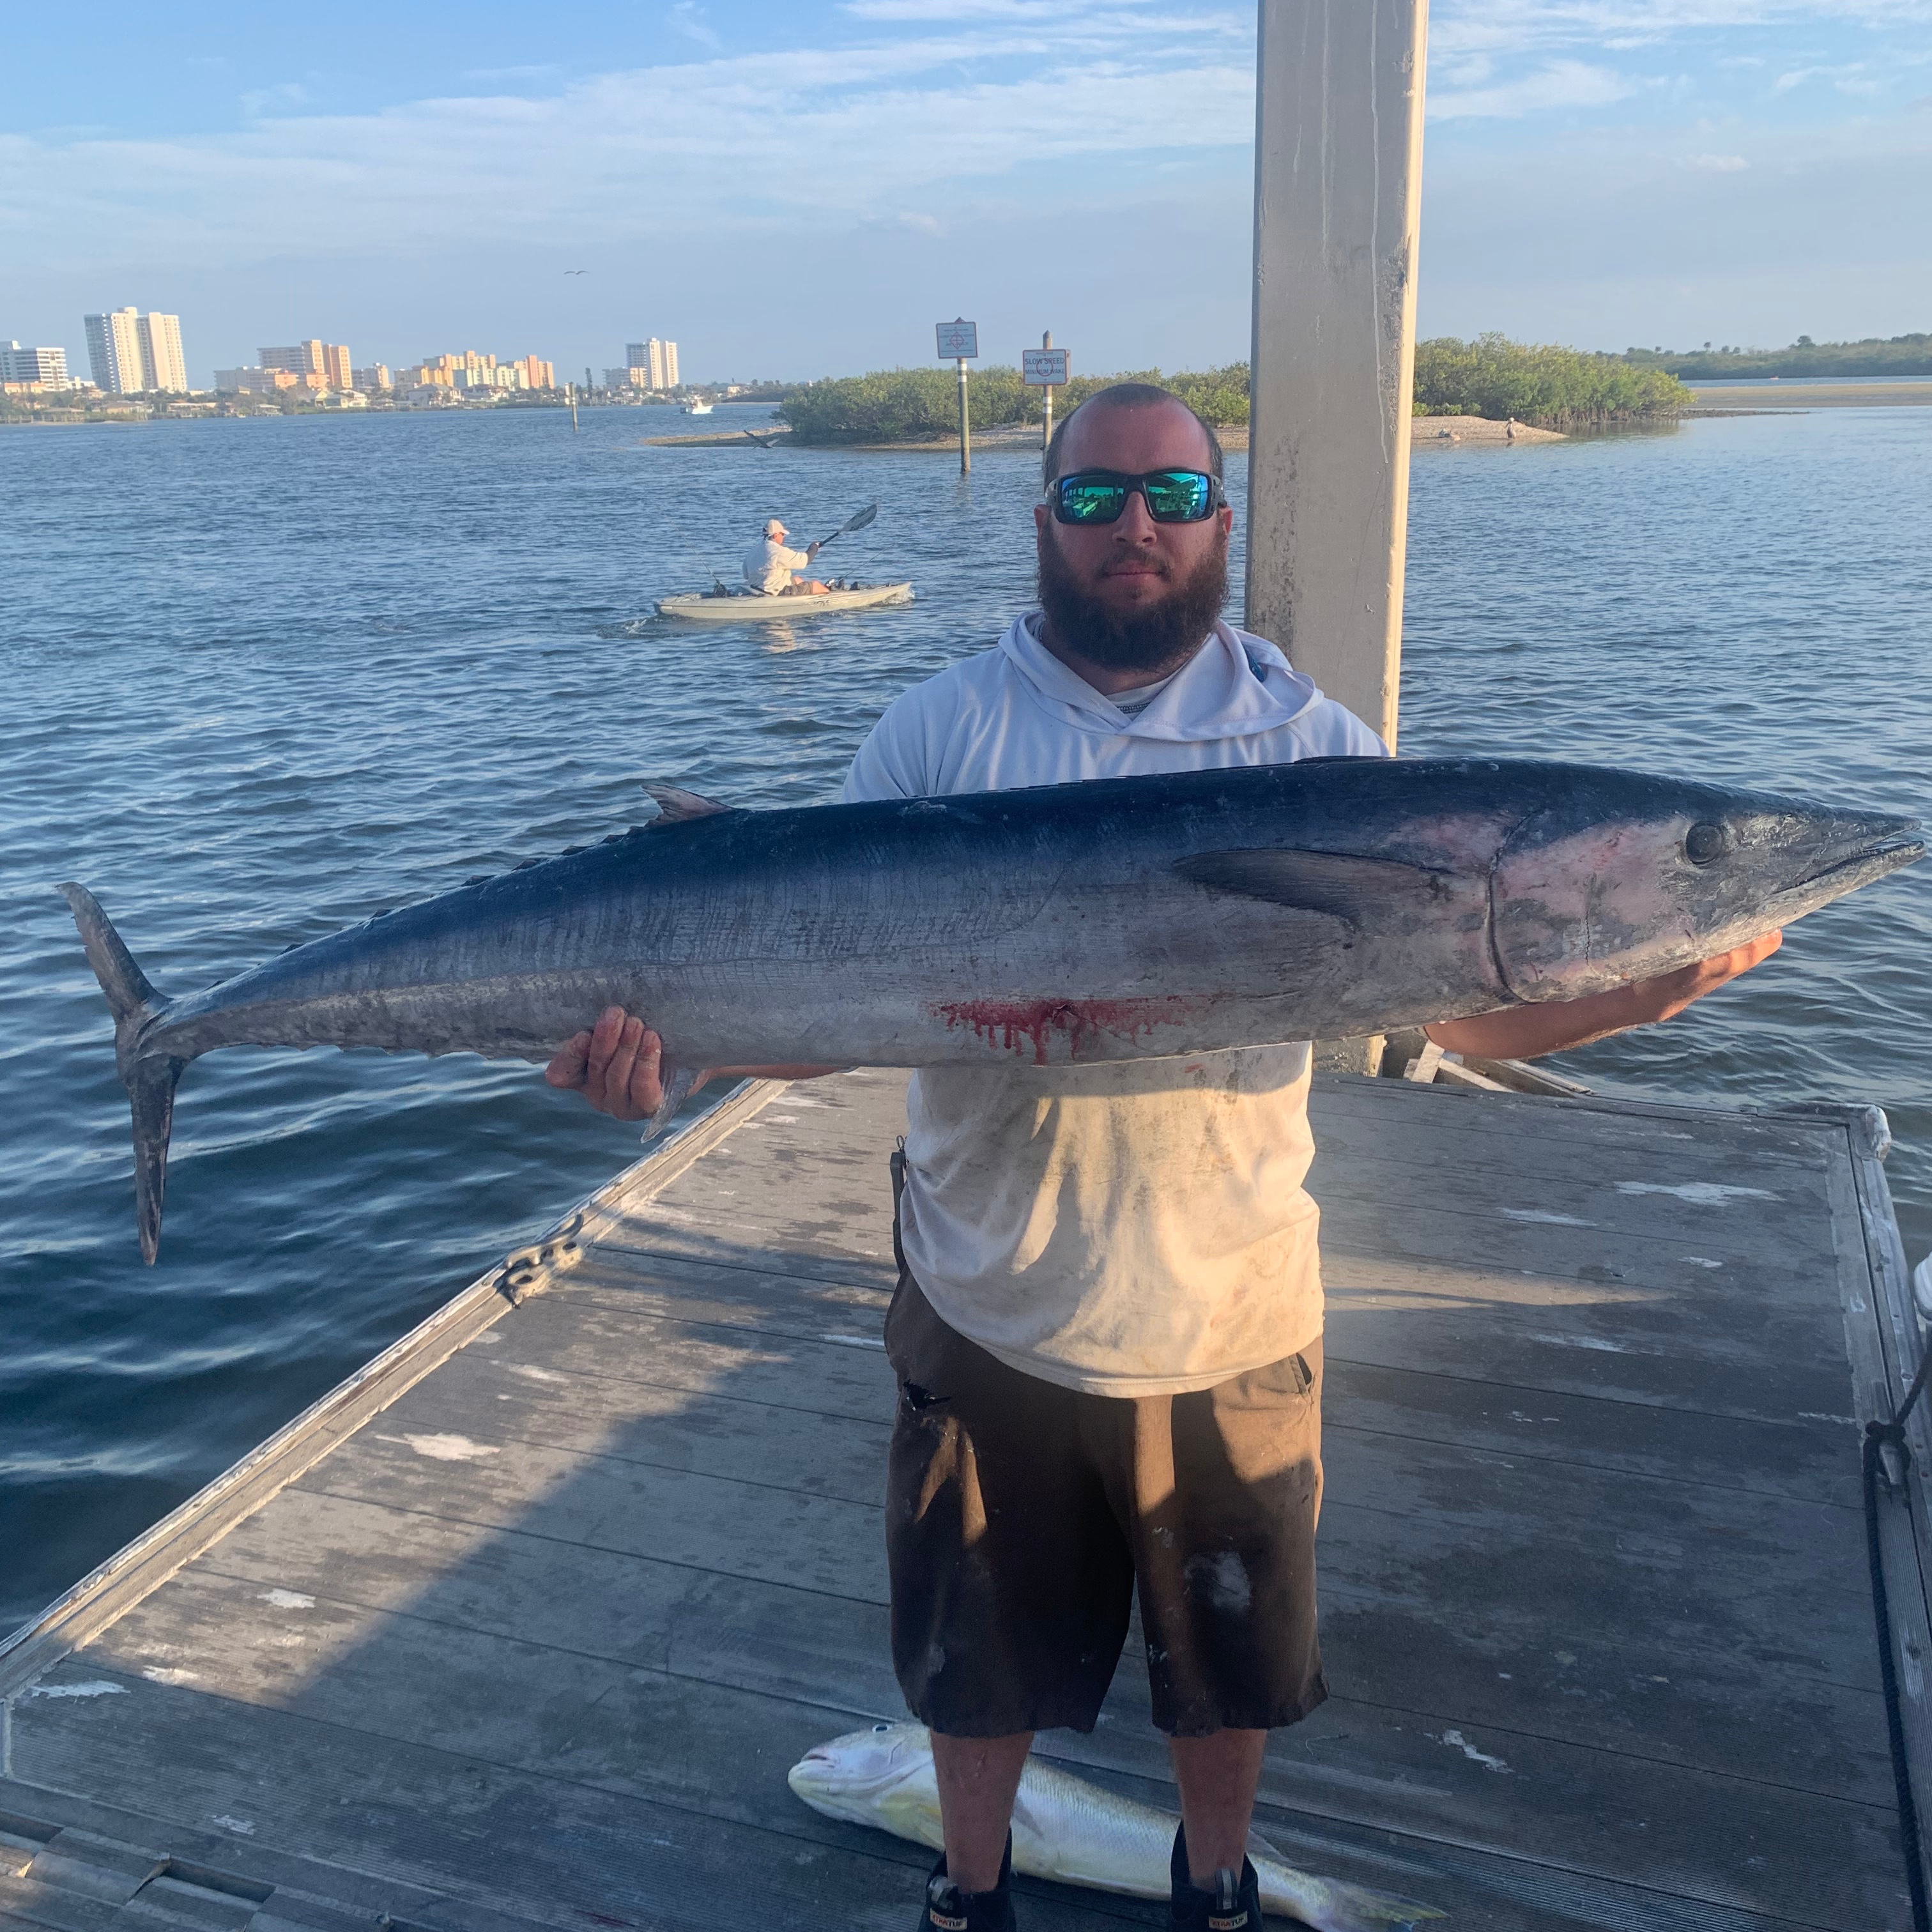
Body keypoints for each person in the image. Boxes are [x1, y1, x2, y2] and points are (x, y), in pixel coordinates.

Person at [548, 384, 1779, 1932]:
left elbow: (1455, 1028)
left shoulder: (1321, 750)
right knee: (971, 1653)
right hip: (990, 1291)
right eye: (1096, 499)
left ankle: (1218, 1889)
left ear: (1222, 519)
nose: (1137, 527)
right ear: (1045, 518)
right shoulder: (940, 731)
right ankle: (970, 1893)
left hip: (1230, 1301)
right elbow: (831, 1008)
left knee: (1231, 1662)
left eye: (1174, 499)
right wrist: (675, 1056)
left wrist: (1644, 989)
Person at [744, 516, 830, 596]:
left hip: (757, 589)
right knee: (816, 586)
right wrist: (814, 547)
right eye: (782, 534)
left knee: (797, 579)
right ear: (776, 535)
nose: (783, 537)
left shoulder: (752, 552)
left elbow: (746, 575)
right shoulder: (777, 551)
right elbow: (805, 561)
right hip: (774, 592)